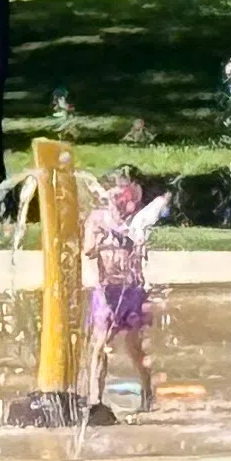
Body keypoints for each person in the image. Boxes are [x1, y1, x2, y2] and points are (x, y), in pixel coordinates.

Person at [85, 167, 171, 410]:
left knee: (135, 349)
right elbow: (88, 250)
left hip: (132, 290)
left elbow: (141, 244)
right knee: (99, 345)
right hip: (106, 292)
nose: (124, 205)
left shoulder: (136, 223)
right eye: (119, 199)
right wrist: (103, 239)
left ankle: (147, 393)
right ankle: (94, 398)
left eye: (129, 200)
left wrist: (135, 238)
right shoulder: (97, 219)